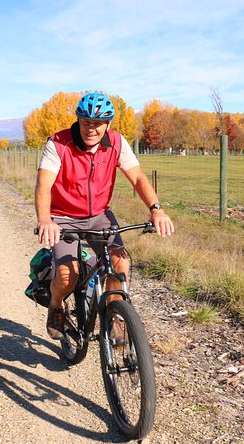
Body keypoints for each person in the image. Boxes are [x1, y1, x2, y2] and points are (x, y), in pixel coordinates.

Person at [35, 92, 175, 341]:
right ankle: (56, 304)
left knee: (120, 264)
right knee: (68, 273)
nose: (92, 128)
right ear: (78, 120)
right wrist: (45, 220)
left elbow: (139, 177)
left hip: (99, 214)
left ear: (108, 124)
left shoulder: (117, 143)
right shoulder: (58, 143)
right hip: (63, 216)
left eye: (98, 123)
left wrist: (156, 209)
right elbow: (43, 185)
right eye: (86, 122)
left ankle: (115, 317)